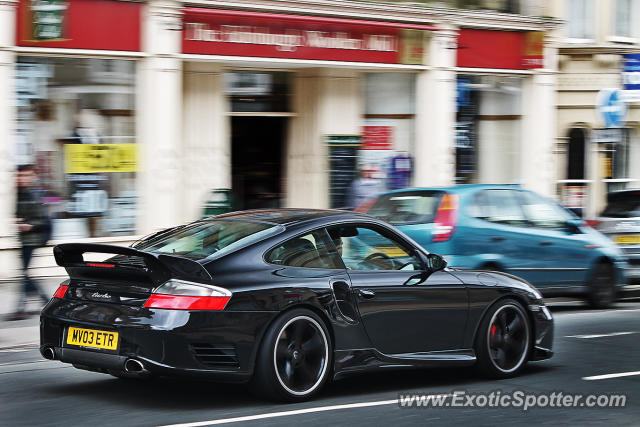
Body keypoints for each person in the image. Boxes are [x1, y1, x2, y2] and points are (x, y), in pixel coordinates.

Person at [8, 165, 52, 321]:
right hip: (24, 239)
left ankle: (28, 306)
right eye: (19, 176)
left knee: (25, 274)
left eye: (25, 176)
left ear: (32, 177)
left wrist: (29, 226)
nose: (21, 179)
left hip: (32, 239)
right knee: (25, 274)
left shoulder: (34, 196)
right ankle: (43, 301)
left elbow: (44, 221)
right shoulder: (18, 194)